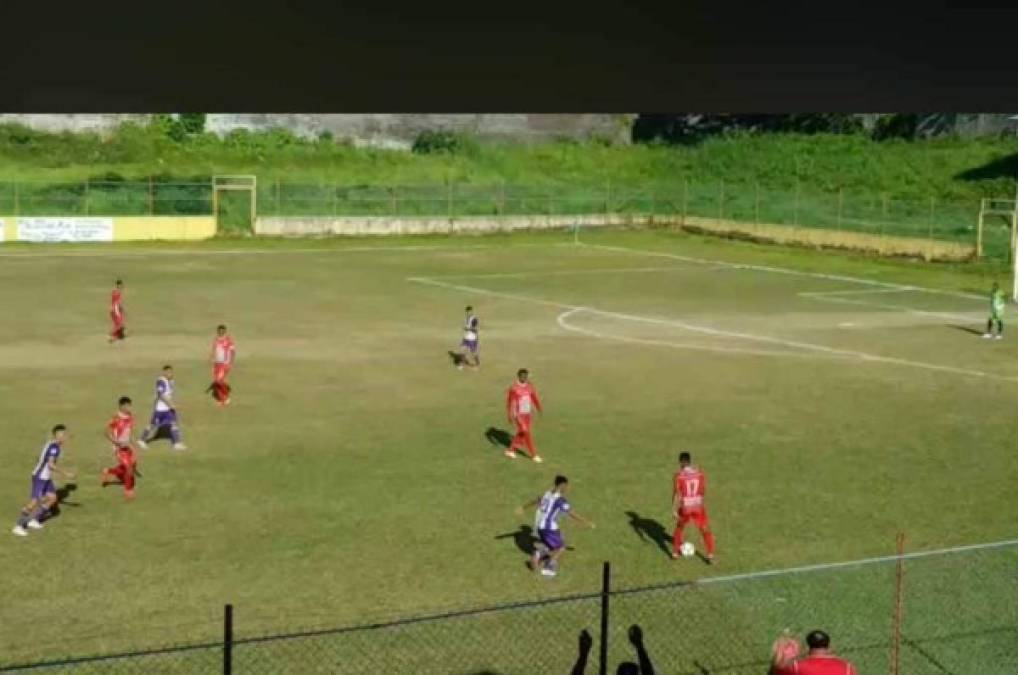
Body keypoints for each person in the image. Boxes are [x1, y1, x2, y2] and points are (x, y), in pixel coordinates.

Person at [514, 475, 594, 577]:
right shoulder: (560, 500)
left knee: (549, 545)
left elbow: (536, 500)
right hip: (549, 528)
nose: (567, 488)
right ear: (561, 485)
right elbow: (571, 513)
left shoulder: (547, 493)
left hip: (540, 526)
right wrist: (587, 522)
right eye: (566, 486)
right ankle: (548, 567)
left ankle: (538, 556)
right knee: (561, 548)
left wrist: (523, 507)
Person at [12, 425, 74, 536]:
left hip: (45, 477)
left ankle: (34, 520)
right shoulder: (55, 447)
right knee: (34, 502)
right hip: (40, 477)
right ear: (56, 435)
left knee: (52, 498)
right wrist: (65, 473)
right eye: (62, 435)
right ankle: (18, 526)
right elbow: (51, 465)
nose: (64, 437)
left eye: (65, 434)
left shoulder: (50, 444)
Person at [672, 451, 716, 564]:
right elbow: (703, 490)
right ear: (690, 461)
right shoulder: (699, 473)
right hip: (697, 506)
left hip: (685, 507)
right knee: (705, 529)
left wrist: (673, 508)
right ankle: (710, 555)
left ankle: (675, 553)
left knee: (680, 527)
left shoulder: (678, 476)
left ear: (681, 462)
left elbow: (676, 493)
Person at [138, 365, 186, 451]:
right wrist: (170, 404)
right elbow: (160, 395)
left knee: (174, 423)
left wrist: (171, 405)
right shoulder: (161, 381)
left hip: (168, 410)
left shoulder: (170, 381)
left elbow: (169, 393)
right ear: (165, 372)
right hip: (160, 409)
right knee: (152, 425)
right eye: (169, 372)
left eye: (171, 372)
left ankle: (177, 444)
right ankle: (141, 440)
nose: (171, 374)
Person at [101, 397, 140, 500]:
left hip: (127, 446)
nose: (129, 408)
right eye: (127, 406)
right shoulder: (116, 418)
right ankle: (128, 490)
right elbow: (106, 432)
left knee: (128, 466)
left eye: (130, 405)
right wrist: (116, 442)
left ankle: (108, 471)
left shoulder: (130, 417)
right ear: (121, 406)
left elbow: (129, 433)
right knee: (128, 468)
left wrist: (135, 444)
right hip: (119, 448)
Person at [771, 629, 857, 674]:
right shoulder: (847, 667)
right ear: (829, 647)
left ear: (808, 648)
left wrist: (779, 661)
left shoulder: (795, 667)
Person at [505, 368, 543, 462]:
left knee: (523, 432)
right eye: (522, 376)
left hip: (528, 414)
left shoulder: (530, 386)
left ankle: (511, 450)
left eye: (526, 376)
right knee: (526, 432)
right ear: (518, 376)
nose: (524, 378)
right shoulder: (513, 388)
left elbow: (534, 397)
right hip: (519, 414)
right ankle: (534, 455)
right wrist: (510, 414)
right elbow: (509, 402)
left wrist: (539, 408)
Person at [207, 324, 236, 406]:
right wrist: (211, 358)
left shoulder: (228, 340)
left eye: (222, 331)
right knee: (217, 381)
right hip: (217, 363)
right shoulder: (216, 340)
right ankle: (220, 400)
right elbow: (214, 350)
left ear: (225, 331)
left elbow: (233, 352)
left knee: (219, 381)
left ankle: (226, 397)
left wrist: (231, 363)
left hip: (225, 363)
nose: (221, 333)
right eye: (219, 331)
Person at [457, 305, 480, 370]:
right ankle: (461, 364)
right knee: (462, 350)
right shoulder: (466, 318)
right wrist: (466, 329)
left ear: (472, 311)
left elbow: (475, 329)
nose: (468, 313)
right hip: (466, 338)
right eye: (467, 312)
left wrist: (468, 329)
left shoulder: (474, 319)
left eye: (470, 311)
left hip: (472, 339)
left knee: (473, 353)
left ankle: (477, 364)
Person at [108, 279, 126, 343]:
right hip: (116, 309)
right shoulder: (117, 292)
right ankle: (113, 336)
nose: (122, 286)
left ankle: (119, 335)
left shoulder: (115, 291)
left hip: (114, 309)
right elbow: (117, 302)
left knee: (118, 323)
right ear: (118, 285)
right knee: (120, 324)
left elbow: (115, 301)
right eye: (120, 285)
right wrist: (120, 308)